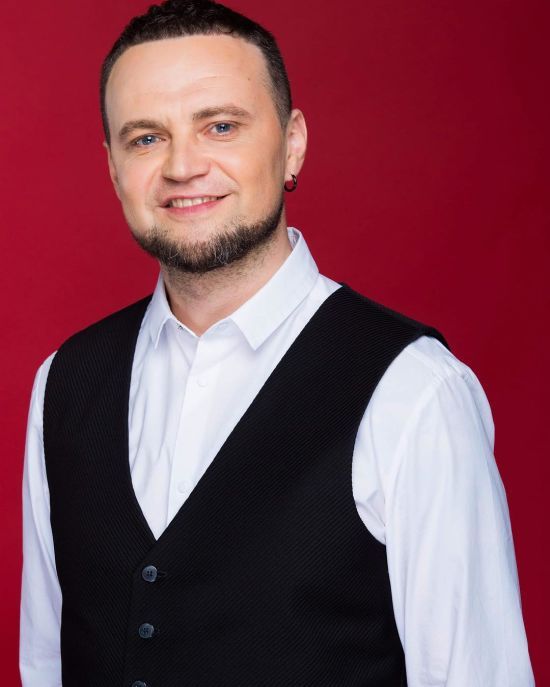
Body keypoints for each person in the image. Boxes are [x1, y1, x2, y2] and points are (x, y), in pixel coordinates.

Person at [19, 1, 534, 685]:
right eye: (145, 138)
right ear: (113, 167)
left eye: (220, 126)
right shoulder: (65, 382)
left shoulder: (413, 391)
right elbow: (45, 663)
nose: (182, 165)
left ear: (292, 144)